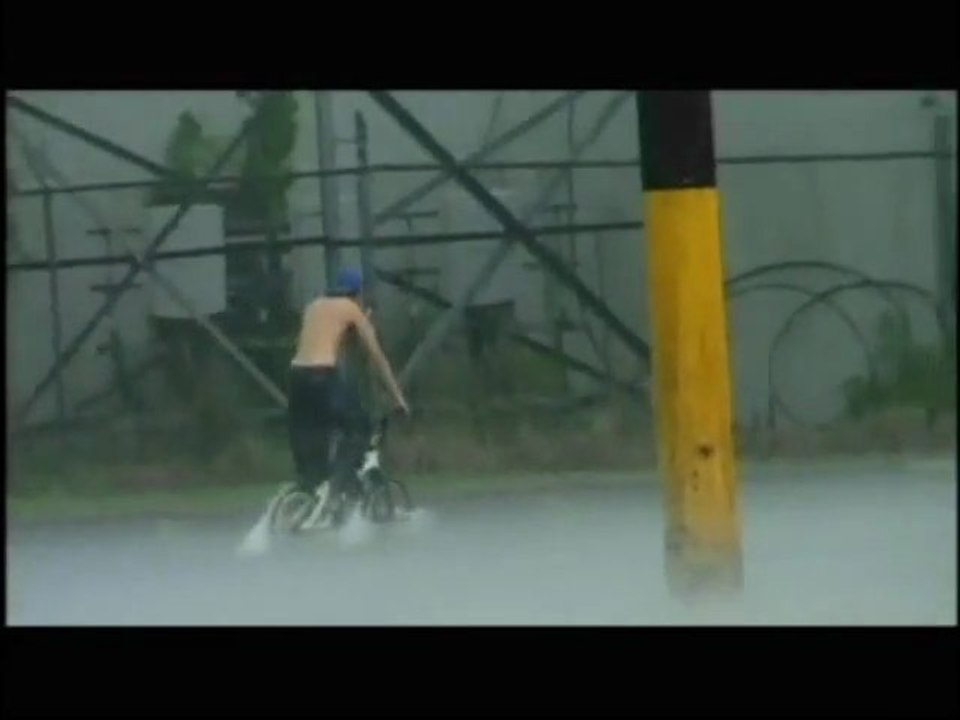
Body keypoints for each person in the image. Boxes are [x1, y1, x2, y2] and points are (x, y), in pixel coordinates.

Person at [287, 267, 409, 502]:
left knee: (310, 432)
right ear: (358, 293)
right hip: (323, 375)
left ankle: (312, 488)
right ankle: (340, 482)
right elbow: (377, 357)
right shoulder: (351, 309)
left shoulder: (314, 306)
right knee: (359, 427)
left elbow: (322, 340)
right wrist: (398, 397)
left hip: (297, 376)